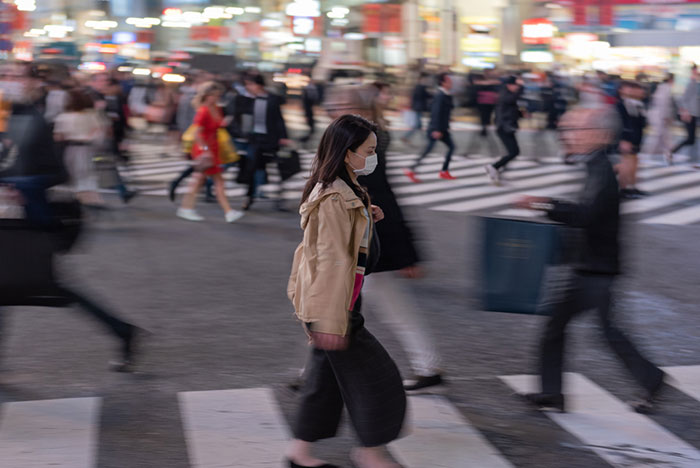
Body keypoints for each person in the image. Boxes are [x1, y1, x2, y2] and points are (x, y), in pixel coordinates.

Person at [514, 107, 666, 414]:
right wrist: (550, 204)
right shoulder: (597, 165)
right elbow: (587, 211)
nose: (568, 135)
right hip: (594, 265)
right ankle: (555, 392)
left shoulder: (601, 170)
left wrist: (542, 204)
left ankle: (555, 392)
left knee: (578, 329)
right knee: (585, 329)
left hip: (596, 268)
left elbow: (586, 216)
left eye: (575, 129)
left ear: (598, 135)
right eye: (567, 128)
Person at [286, 114, 406, 468]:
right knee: (379, 381)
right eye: (368, 150)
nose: (373, 157)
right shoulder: (336, 198)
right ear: (347, 152)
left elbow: (341, 243)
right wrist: (327, 322)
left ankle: (299, 454)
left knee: (324, 385)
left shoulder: (346, 187)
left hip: (338, 305)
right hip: (336, 309)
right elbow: (332, 262)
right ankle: (370, 454)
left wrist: (366, 217)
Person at [359, 84, 444, 393]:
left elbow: (385, 199)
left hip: (368, 242)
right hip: (364, 242)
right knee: (386, 309)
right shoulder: (366, 142)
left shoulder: (366, 148)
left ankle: (314, 372)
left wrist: (408, 253)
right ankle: (428, 366)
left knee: (335, 311)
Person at [176, 81, 243, 223]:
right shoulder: (204, 110)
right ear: (207, 95)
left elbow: (217, 126)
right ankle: (228, 211)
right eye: (215, 95)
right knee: (217, 181)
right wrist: (205, 150)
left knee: (199, 180)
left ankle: (186, 208)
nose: (218, 97)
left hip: (213, 148)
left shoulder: (215, 108)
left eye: (219, 95)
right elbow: (197, 134)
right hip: (205, 149)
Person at [239, 73, 289, 211]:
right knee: (251, 169)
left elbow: (279, 119)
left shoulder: (272, 99)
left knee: (279, 170)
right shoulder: (249, 99)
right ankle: (249, 198)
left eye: (251, 84)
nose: (248, 87)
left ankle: (280, 199)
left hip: (271, 140)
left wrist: (283, 136)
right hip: (256, 140)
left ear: (259, 85)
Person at [53, 89, 106, 207]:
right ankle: (91, 197)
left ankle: (80, 197)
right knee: (88, 173)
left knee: (74, 173)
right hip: (87, 148)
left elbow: (58, 137)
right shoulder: (92, 115)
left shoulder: (62, 117)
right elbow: (99, 132)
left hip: (71, 147)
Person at [404, 72, 456, 183]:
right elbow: (436, 112)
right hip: (436, 129)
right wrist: (436, 129)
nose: (451, 82)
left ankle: (444, 171)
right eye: (449, 81)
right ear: (443, 83)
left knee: (451, 147)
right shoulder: (440, 95)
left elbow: (446, 110)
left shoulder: (445, 94)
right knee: (428, 150)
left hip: (442, 129)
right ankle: (411, 170)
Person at [485, 76, 523, 185]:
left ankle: (497, 170)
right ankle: (493, 167)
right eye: (515, 85)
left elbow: (511, 110)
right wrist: (522, 86)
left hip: (507, 127)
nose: (516, 87)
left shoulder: (507, 94)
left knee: (512, 152)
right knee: (513, 152)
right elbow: (512, 100)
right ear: (509, 85)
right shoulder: (505, 95)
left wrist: (520, 114)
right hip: (504, 128)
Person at [615, 81, 648, 199]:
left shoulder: (637, 104)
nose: (632, 91)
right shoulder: (621, 105)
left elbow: (641, 123)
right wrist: (623, 139)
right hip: (626, 139)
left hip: (636, 138)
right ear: (621, 90)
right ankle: (623, 189)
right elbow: (622, 123)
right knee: (626, 164)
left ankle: (631, 187)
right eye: (628, 88)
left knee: (633, 163)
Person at [669, 65, 699, 166]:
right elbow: (684, 99)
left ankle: (693, 159)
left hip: (694, 113)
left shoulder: (694, 83)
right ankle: (672, 151)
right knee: (691, 139)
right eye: (695, 70)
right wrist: (686, 112)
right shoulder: (691, 83)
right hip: (690, 114)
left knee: (692, 139)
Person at [645, 74, 676, 163]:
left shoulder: (662, 87)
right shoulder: (666, 88)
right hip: (659, 116)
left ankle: (667, 153)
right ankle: (651, 153)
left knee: (663, 136)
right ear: (671, 80)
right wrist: (666, 116)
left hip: (658, 115)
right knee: (661, 136)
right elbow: (663, 104)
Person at [401, 72, 432, 146]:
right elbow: (425, 96)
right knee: (417, 125)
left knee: (419, 125)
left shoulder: (418, 87)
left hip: (417, 108)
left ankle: (424, 140)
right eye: (426, 79)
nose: (427, 80)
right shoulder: (421, 87)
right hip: (418, 108)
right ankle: (406, 137)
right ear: (422, 79)